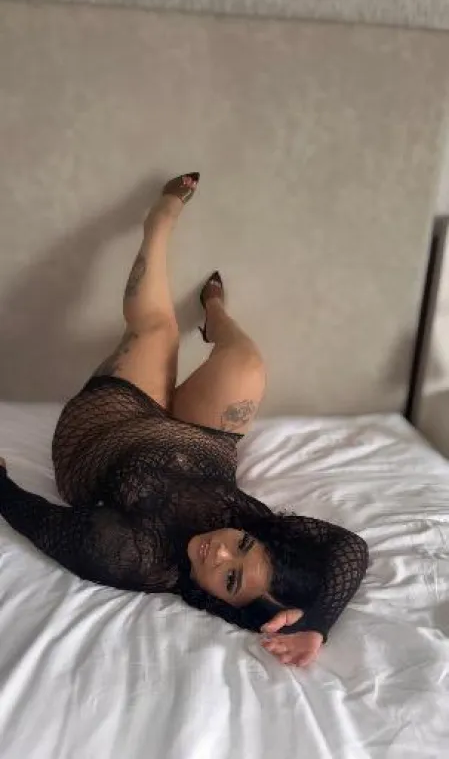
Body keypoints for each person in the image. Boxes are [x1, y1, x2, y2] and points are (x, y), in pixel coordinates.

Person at [0, 173, 368, 668]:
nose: (221, 552)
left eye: (230, 579)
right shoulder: (261, 526)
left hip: (107, 431)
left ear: (221, 604)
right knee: (247, 364)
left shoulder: (134, 556)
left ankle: (159, 221)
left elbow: (38, 521)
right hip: (202, 444)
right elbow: (350, 548)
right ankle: (214, 314)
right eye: (243, 544)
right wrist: (319, 624)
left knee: (158, 331)